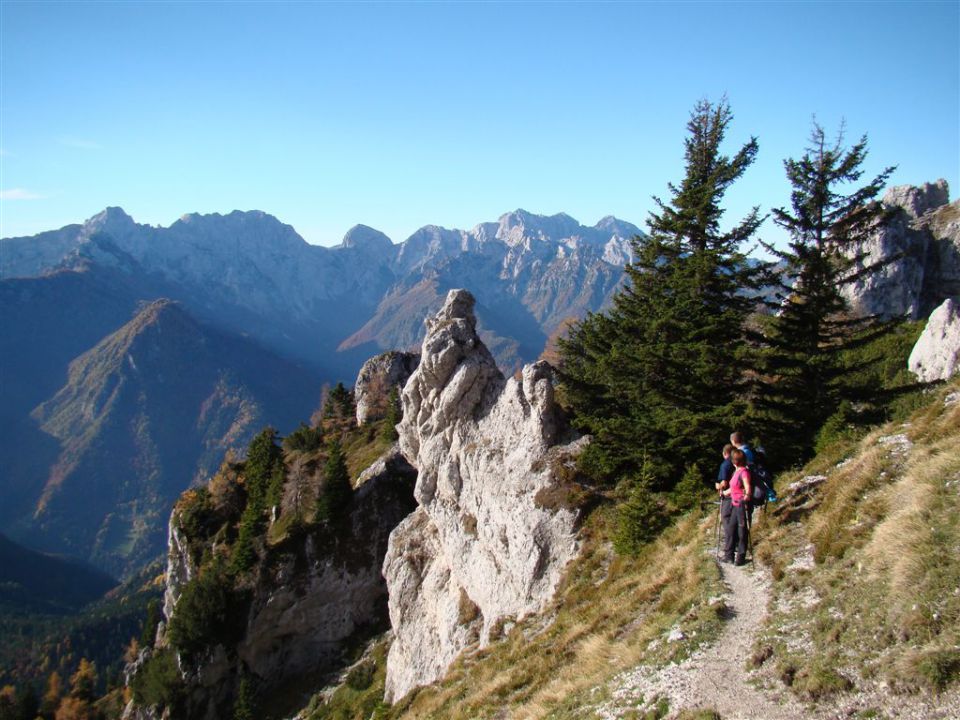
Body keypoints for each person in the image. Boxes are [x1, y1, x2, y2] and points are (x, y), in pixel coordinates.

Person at [722, 448, 752, 565]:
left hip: (741, 504)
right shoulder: (736, 472)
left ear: (734, 461)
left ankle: (740, 557)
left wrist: (746, 498)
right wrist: (724, 493)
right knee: (731, 528)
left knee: (742, 530)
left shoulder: (744, 472)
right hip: (735, 504)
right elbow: (734, 488)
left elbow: (747, 487)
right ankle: (729, 556)